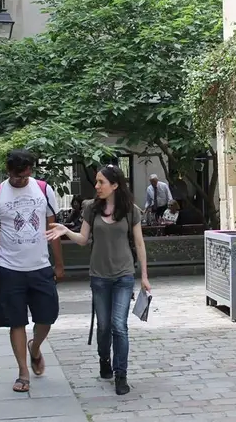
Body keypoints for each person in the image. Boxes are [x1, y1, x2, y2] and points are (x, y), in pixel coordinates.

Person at [46, 164, 150, 396]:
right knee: (103, 327)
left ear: (114, 185)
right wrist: (65, 230)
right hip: (99, 277)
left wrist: (144, 276)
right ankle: (104, 358)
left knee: (119, 326)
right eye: (96, 181)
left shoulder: (130, 210)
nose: (97, 186)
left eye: (101, 182)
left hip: (123, 275)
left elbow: (140, 243)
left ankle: (121, 374)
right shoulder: (91, 208)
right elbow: (83, 239)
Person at [0, 149, 64, 394]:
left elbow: (53, 229)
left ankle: (35, 347)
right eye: (17, 176)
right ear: (8, 171)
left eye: (26, 175)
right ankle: (23, 372)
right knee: (16, 321)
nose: (21, 180)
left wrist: (58, 264)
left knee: (47, 317)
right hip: (9, 269)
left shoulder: (43, 189)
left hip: (40, 266)